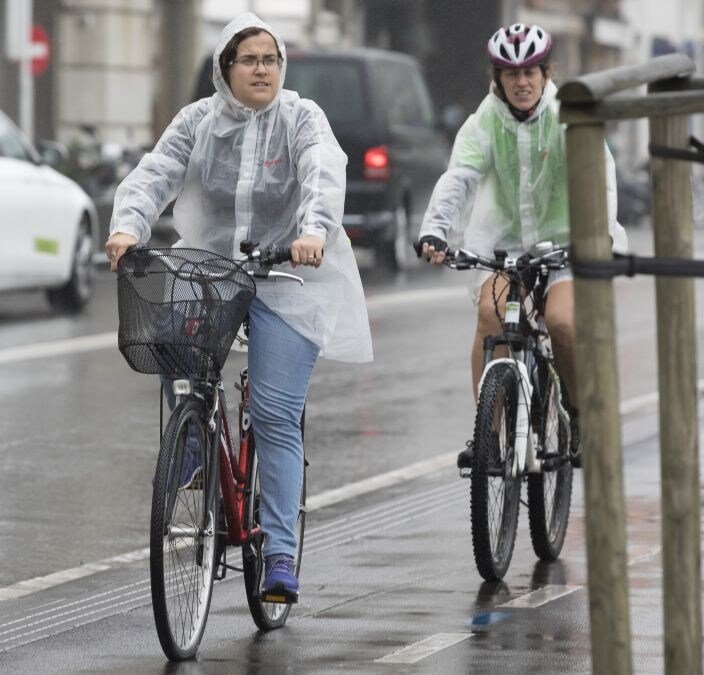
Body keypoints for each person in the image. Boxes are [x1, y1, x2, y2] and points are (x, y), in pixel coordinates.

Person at [106, 13, 372, 601]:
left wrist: (315, 231)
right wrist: (128, 227)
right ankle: (193, 444)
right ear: (225, 69)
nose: (261, 69)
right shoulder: (198, 121)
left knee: (275, 414)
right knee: (171, 345)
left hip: (289, 275)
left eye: (270, 59)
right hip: (211, 272)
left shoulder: (302, 118)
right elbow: (155, 173)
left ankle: (278, 552)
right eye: (248, 59)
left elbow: (324, 173)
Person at [416, 23, 627, 469]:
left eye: (531, 71)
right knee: (490, 316)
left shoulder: (568, 114)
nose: (522, 82)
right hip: (505, 244)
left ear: (547, 73)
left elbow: (596, 177)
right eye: (511, 74)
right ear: (498, 79)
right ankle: (487, 436)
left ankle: (577, 410)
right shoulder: (485, 120)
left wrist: (600, 234)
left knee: (563, 322)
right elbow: (460, 177)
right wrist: (435, 228)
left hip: (568, 243)